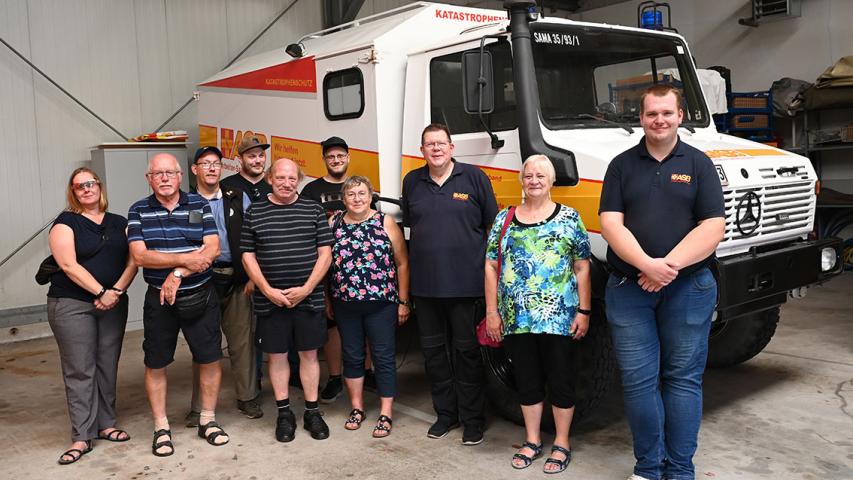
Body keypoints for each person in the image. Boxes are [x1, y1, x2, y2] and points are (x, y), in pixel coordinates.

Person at [599, 84, 725, 480]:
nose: (659, 120)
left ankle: (681, 470)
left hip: (688, 288)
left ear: (680, 116)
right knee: (638, 382)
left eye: (666, 113)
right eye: (652, 114)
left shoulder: (699, 163)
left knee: (683, 381)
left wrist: (665, 267)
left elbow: (714, 226)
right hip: (628, 290)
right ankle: (649, 469)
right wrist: (644, 266)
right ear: (641, 118)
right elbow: (609, 223)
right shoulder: (620, 165)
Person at [484, 155, 592, 474]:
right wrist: (492, 312)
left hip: (559, 319)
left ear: (551, 180)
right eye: (528, 175)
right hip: (517, 320)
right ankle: (532, 440)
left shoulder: (569, 218)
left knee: (561, 379)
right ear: (521, 180)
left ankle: (561, 442)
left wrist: (584, 310)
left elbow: (583, 266)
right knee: (526, 380)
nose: (534, 180)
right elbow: (490, 266)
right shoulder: (505, 219)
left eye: (540, 175)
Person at [401, 123, 498, 445]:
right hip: (426, 289)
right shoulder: (412, 181)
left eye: (441, 143)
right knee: (434, 355)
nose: (436, 149)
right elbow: (415, 226)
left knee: (467, 354)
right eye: (429, 144)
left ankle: (473, 420)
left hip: (467, 286)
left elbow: (491, 227)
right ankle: (446, 415)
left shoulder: (474, 178)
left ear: (452, 147)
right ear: (422, 150)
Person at [128, 153, 229, 457]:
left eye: (170, 172)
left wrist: (176, 272)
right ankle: (161, 427)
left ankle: (208, 420)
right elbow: (140, 256)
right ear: (149, 178)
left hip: (201, 295)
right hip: (159, 299)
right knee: (156, 362)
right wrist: (185, 259)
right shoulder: (138, 210)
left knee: (210, 357)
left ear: (180, 176)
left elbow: (211, 248)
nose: (164, 178)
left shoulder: (198, 205)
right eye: (157, 173)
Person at [47, 167, 138, 465]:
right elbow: (69, 266)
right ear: (73, 193)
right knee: (80, 369)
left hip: (113, 303)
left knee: (107, 363)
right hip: (72, 304)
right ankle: (81, 436)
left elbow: (134, 260)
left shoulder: (120, 223)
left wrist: (117, 292)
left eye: (91, 184)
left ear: (100, 187)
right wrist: (101, 291)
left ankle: (106, 424)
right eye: (79, 186)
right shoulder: (65, 224)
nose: (86, 189)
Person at [241, 158, 333, 442]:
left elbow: (325, 253)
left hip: (309, 298)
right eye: (280, 178)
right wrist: (266, 289)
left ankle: (312, 411)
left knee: (309, 354)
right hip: (271, 300)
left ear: (299, 180)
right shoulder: (255, 211)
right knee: (277, 356)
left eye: (292, 178)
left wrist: (306, 288)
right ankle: (284, 413)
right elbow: (247, 255)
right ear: (270, 178)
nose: (286, 183)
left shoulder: (313, 208)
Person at [184, 146, 262, 426]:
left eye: (216, 163)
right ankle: (199, 407)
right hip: (201, 280)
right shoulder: (186, 203)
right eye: (205, 164)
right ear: (195, 170)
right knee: (203, 344)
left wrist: (254, 275)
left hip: (238, 279)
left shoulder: (237, 198)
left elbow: (255, 236)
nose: (212, 168)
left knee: (243, 342)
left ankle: (248, 396)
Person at [329, 176, 410, 438]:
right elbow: (327, 265)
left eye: (362, 193)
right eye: (351, 194)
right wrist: (329, 300)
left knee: (383, 357)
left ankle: (386, 412)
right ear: (343, 199)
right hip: (344, 303)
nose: (357, 199)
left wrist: (403, 301)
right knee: (352, 356)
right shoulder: (335, 223)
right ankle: (357, 408)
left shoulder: (384, 222)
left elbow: (402, 263)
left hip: (382, 304)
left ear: (371, 195)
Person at [301, 136, 376, 403]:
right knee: (331, 325)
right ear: (324, 160)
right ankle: (335, 377)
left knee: (363, 322)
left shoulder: (359, 186)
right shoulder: (311, 190)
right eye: (331, 157)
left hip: (361, 270)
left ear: (348, 157)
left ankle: (367, 373)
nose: (336, 160)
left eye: (340, 156)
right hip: (326, 268)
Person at [220, 135, 272, 202]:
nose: (258, 161)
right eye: (252, 156)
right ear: (240, 159)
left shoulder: (275, 184)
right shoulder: (226, 185)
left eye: (261, 155)